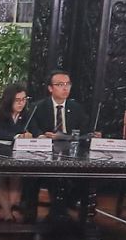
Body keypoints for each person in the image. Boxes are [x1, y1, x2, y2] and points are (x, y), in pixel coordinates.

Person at [22, 70, 87, 219]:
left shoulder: (76, 108)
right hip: (43, 155)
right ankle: (30, 216)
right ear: (50, 88)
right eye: (60, 84)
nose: (65, 88)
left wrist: (65, 137)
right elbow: (32, 128)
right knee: (33, 176)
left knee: (82, 178)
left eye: (68, 84)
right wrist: (41, 136)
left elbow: (84, 132)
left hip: (70, 155)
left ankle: (63, 214)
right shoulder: (38, 107)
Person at [0, 83, 32, 222]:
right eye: (17, 100)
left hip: (19, 155)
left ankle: (6, 211)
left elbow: (34, 130)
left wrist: (33, 135)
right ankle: (7, 213)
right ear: (9, 100)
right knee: (0, 175)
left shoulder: (27, 114)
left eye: (24, 99)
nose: (21, 103)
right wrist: (17, 136)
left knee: (17, 174)